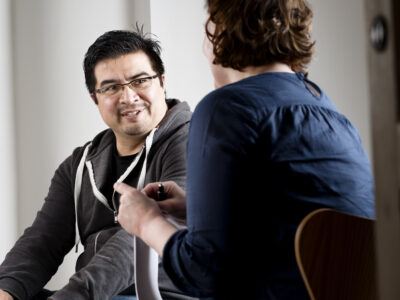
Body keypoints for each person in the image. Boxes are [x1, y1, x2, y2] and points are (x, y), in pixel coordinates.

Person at [115, 1, 375, 299]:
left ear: (220, 32)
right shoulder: (330, 113)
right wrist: (198, 210)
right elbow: (297, 229)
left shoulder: (226, 109)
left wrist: (145, 221)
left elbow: (204, 273)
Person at [0, 29, 196, 300]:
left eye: (140, 81)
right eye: (112, 87)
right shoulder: (78, 165)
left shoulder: (193, 143)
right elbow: (41, 243)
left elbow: (138, 243)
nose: (128, 98)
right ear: (95, 97)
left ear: (162, 82)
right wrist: (5, 291)